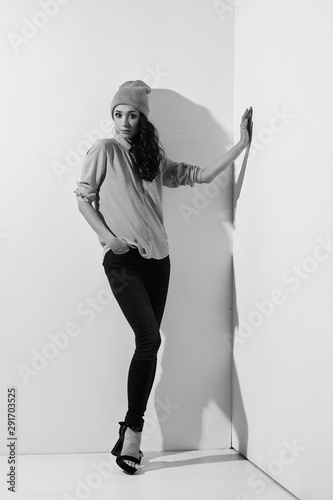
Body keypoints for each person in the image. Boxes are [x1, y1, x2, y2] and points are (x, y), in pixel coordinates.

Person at [75, 80, 251, 475]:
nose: (123, 122)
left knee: (149, 346)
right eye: (118, 114)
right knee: (150, 338)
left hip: (160, 262)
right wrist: (108, 239)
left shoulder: (152, 159)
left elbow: (200, 175)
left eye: (132, 115)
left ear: (143, 119)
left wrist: (241, 144)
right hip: (123, 262)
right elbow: (83, 197)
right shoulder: (103, 151)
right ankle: (134, 431)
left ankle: (128, 430)